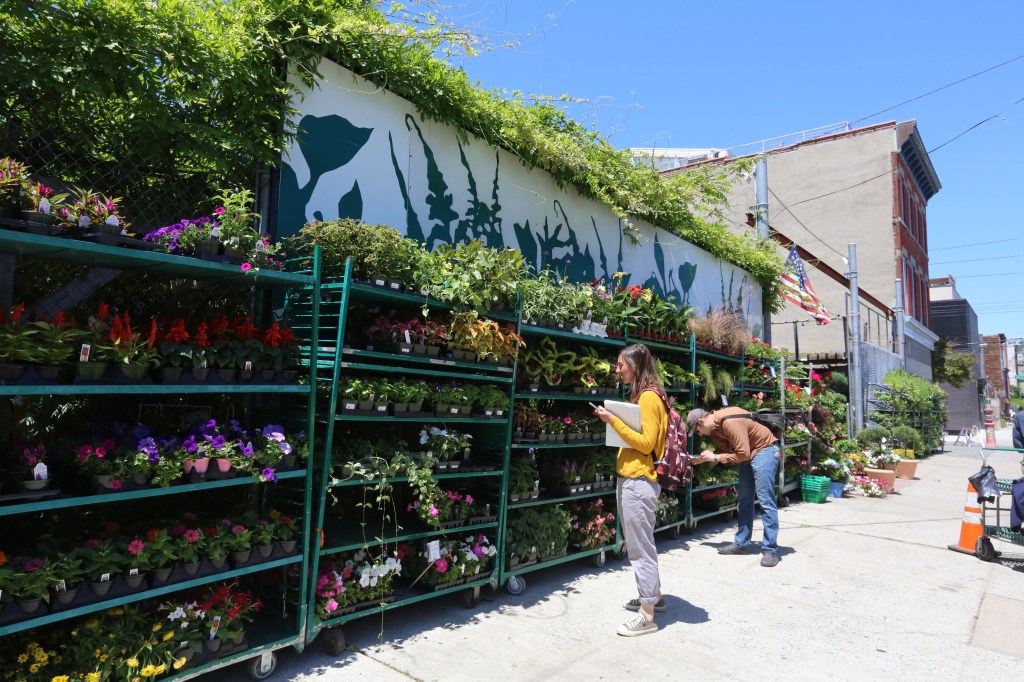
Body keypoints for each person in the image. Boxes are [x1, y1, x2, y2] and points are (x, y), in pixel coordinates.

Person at [593, 344, 668, 637]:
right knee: (642, 543)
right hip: (636, 478)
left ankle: (647, 615)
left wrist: (613, 421)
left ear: (635, 366)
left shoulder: (648, 397)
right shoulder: (647, 394)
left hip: (638, 481)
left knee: (639, 549)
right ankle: (655, 597)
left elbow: (646, 443)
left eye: (621, 364)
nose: (617, 368)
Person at [687, 406, 783, 567]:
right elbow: (727, 452)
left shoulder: (730, 422)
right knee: (744, 500)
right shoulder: (716, 429)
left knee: (766, 500)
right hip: (747, 454)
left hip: (764, 449)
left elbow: (742, 453)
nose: (700, 434)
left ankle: (770, 550)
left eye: (697, 430)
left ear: (701, 421)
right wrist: (707, 458)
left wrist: (715, 457)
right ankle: (741, 543)